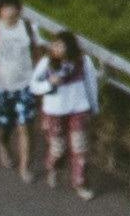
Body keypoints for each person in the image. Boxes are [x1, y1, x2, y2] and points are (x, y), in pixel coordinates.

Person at [0, 0, 45, 178]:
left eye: (12, 8)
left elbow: (38, 55)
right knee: (5, 127)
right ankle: (4, 145)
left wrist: (40, 83)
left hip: (25, 85)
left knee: (26, 127)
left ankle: (25, 166)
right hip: (1, 87)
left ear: (19, 9)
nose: (9, 12)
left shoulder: (29, 28)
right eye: (5, 8)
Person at [38, 28, 102, 196]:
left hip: (78, 108)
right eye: (55, 45)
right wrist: (49, 84)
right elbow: (35, 85)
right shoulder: (47, 63)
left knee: (80, 146)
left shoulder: (83, 62)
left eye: (62, 46)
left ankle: (80, 183)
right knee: (58, 147)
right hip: (55, 110)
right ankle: (52, 167)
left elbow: (91, 84)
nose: (57, 49)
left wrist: (93, 106)